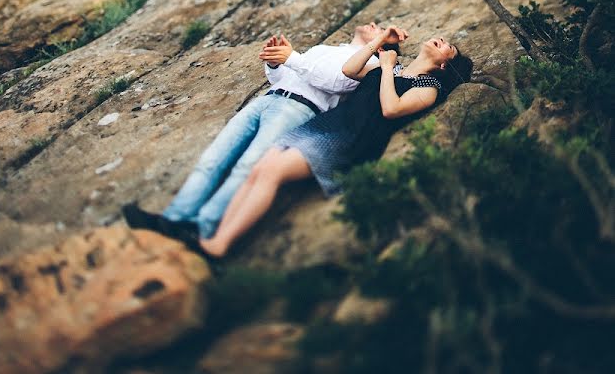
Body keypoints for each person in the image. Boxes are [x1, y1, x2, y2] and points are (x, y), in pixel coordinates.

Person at [198, 28, 473, 258]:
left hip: (351, 138)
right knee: (259, 169)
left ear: (443, 65)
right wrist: (379, 42)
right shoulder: (392, 66)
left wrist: (387, 68)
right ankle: (216, 237)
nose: (443, 41)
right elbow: (349, 69)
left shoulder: (428, 89)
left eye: (448, 47)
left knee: (272, 172)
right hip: (328, 124)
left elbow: (391, 108)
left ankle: (221, 244)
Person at [122, 22, 396, 244]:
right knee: (214, 158)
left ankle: (201, 227)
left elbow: (335, 81)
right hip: (269, 98)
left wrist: (293, 58)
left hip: (299, 109)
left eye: (380, 29)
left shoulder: (369, 65)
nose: (374, 24)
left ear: (382, 45)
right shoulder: (325, 48)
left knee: (247, 166)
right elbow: (287, 77)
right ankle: (173, 219)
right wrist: (276, 64)